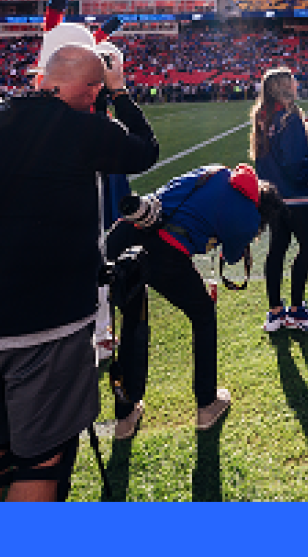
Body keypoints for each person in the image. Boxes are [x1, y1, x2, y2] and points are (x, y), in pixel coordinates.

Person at [0, 42, 159, 502]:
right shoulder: (79, 127)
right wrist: (121, 92)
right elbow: (143, 151)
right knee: (42, 455)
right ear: (92, 91)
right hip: (41, 320)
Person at [105, 164, 284, 439]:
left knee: (133, 320)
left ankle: (125, 416)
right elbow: (232, 255)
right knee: (203, 316)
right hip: (165, 253)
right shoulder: (249, 216)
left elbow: (172, 189)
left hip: (126, 232)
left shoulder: (215, 171)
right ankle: (206, 403)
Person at [253, 67, 308, 333]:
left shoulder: (264, 116)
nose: (296, 84)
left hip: (272, 194)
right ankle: (296, 310)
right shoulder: (288, 116)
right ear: (283, 86)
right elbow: (294, 158)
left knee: (278, 249)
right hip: (294, 194)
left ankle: (275, 312)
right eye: (292, 81)